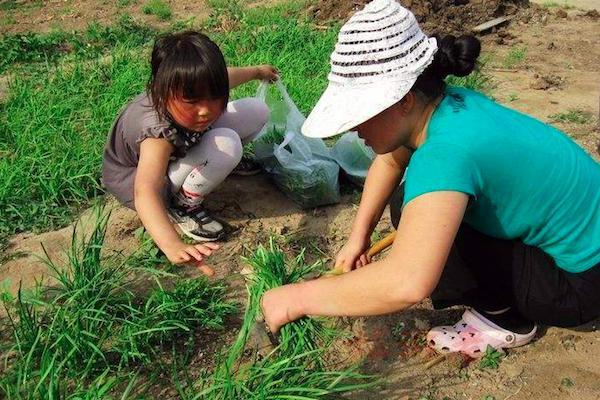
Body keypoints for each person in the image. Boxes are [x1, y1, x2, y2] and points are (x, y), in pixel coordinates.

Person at [260, 0, 600, 357]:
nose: (355, 126)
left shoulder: (445, 155)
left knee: (419, 222)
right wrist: (357, 237)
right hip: (578, 248)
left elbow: (407, 283)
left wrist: (296, 298)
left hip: (580, 285)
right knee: (407, 203)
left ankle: (506, 319)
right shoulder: (448, 104)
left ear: (404, 100)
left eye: (360, 113)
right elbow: (390, 163)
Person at [102, 31, 278, 273]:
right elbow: (145, 190)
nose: (205, 110)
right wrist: (171, 244)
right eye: (192, 101)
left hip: (179, 149)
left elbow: (228, 77)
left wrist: (259, 71)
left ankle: (214, 166)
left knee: (257, 110)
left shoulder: (187, 88)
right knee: (226, 144)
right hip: (139, 180)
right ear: (163, 91)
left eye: (215, 96)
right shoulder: (156, 133)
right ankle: (183, 205)